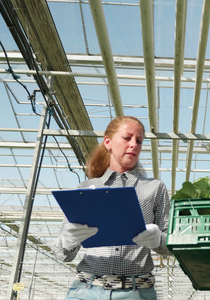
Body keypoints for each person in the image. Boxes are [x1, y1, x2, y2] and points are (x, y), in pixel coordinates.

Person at [52, 116, 172, 300]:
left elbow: (171, 246)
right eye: (127, 138)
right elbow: (62, 254)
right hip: (87, 289)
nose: (134, 144)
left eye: (139, 141)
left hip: (136, 292)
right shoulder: (86, 189)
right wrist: (68, 241)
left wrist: (158, 240)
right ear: (107, 142)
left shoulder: (155, 188)